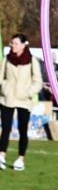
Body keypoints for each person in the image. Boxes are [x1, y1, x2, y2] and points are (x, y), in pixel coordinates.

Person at [0, 34, 44, 172]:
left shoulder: (32, 60)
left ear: (24, 45)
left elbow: (38, 81)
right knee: (5, 128)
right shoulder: (7, 58)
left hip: (24, 100)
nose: (13, 46)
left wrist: (28, 92)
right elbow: (1, 76)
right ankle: (1, 155)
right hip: (7, 98)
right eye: (12, 43)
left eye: (16, 43)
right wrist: (4, 87)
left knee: (22, 130)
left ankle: (20, 159)